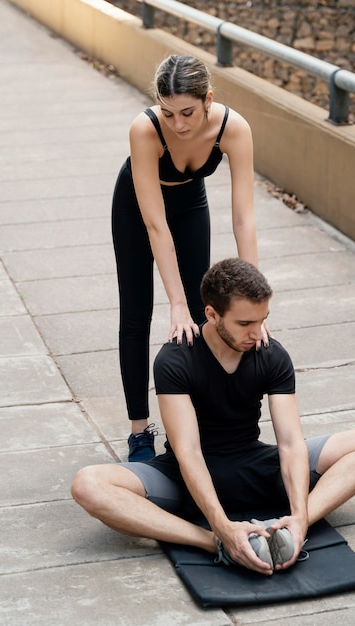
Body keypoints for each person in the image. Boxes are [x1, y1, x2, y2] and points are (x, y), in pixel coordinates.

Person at [71, 258, 355, 576]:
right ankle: (213, 542)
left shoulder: (270, 353)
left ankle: (296, 525)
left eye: (262, 319)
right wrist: (221, 529)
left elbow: (291, 443)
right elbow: (188, 453)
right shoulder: (175, 358)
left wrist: (300, 515)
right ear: (211, 313)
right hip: (184, 480)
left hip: (255, 469)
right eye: (244, 324)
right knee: (88, 484)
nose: (257, 332)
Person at [112, 54, 264, 462]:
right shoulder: (144, 130)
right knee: (137, 313)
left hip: (190, 201)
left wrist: (254, 305)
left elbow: (244, 219)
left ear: (209, 99)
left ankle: (194, 425)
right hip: (137, 207)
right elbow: (156, 226)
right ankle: (139, 432)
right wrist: (174, 303)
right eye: (168, 112)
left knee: (204, 312)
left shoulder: (234, 129)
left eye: (187, 112)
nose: (178, 123)